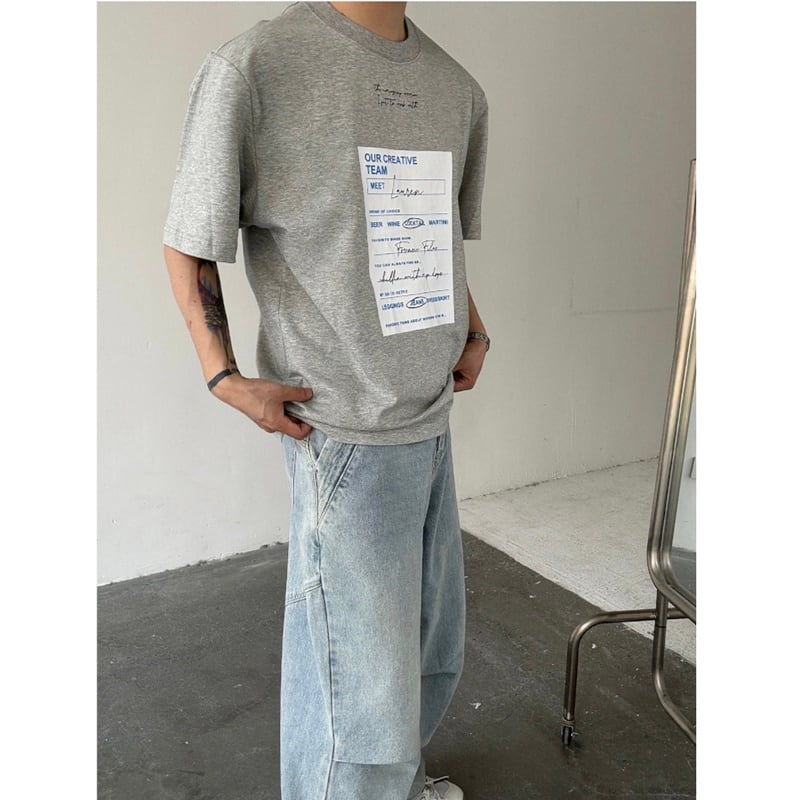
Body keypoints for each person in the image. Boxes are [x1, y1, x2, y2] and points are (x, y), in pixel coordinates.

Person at [163, 3, 489, 798]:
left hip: (429, 412)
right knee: (359, 686)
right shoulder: (255, 68)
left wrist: (473, 327)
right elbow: (190, 239)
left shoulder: (457, 89)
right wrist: (223, 375)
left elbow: (433, 234)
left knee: (429, 646)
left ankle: (401, 787)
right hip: (339, 426)